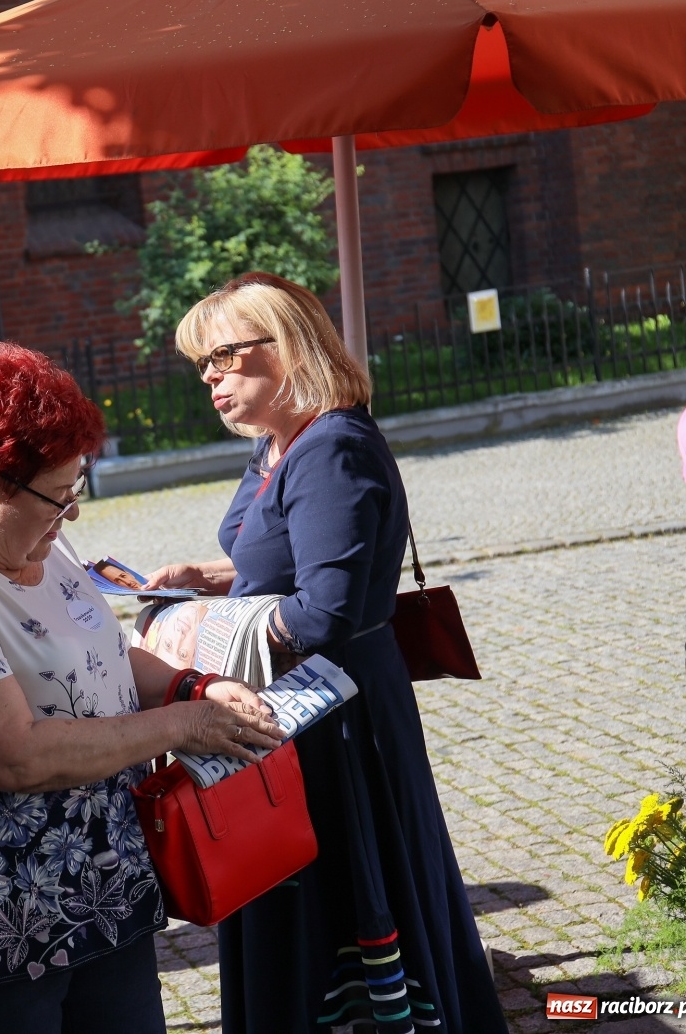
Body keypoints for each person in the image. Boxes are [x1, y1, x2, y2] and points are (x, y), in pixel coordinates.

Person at [0, 343, 284, 1034]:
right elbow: (14, 755)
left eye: (76, 488)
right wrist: (185, 725)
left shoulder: (39, 537)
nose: (72, 515)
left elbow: (99, 657)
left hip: (106, 887)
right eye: (60, 496)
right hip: (0, 921)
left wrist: (192, 687)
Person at [145, 273, 507, 1034]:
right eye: (202, 362)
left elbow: (327, 610)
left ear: (285, 346)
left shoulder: (331, 448)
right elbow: (285, 557)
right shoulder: (278, 443)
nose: (209, 375)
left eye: (222, 355)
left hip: (335, 714)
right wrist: (205, 577)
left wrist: (197, 630)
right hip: (301, 704)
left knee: (340, 887)